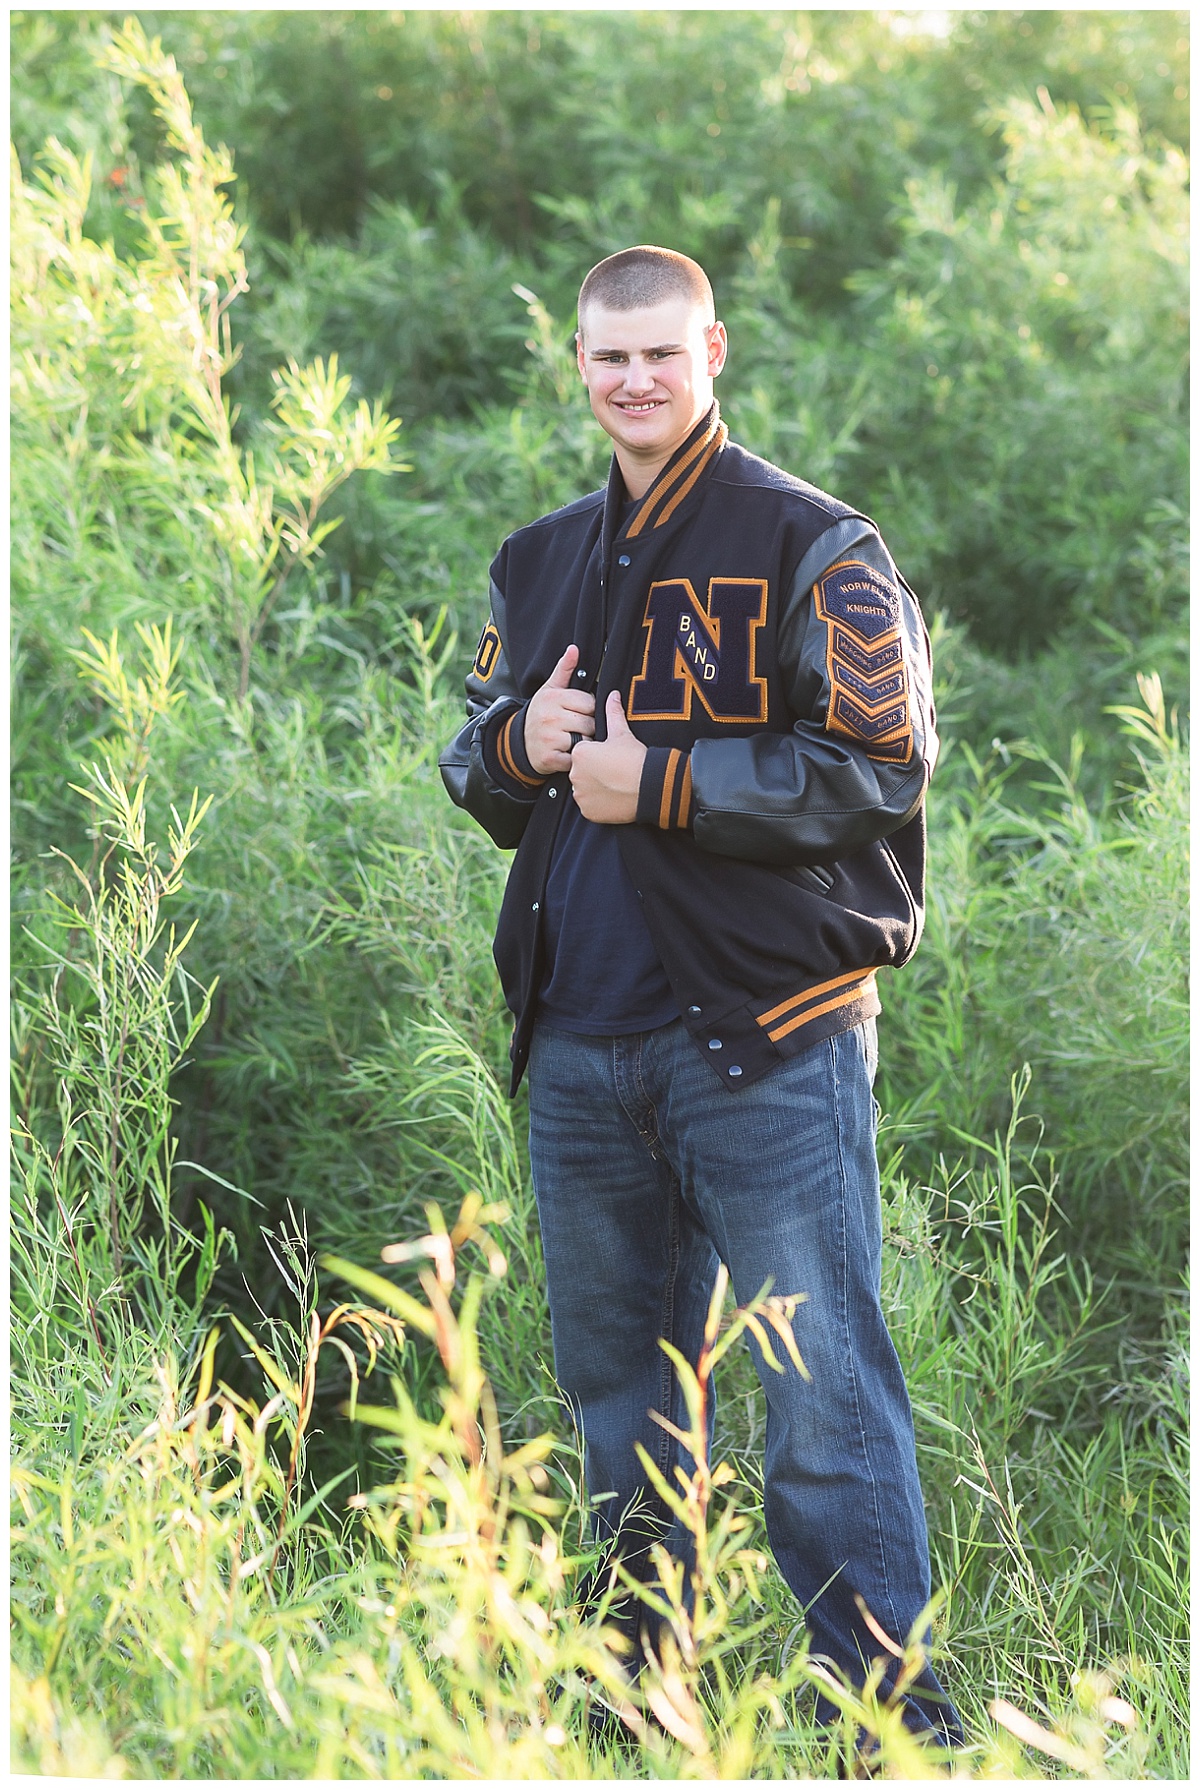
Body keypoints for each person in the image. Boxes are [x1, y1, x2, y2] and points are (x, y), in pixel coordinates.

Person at [439, 245, 962, 1754]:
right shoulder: (539, 558)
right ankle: (630, 1709)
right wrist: (519, 744)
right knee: (620, 1404)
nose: (636, 381)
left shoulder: (814, 542)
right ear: (582, 368)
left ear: (712, 348)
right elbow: (476, 761)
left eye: (662, 354)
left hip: (768, 1045)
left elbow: (882, 766)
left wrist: (661, 779)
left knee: (820, 1405)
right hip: (582, 1052)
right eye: (610, 359)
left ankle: (892, 1730)